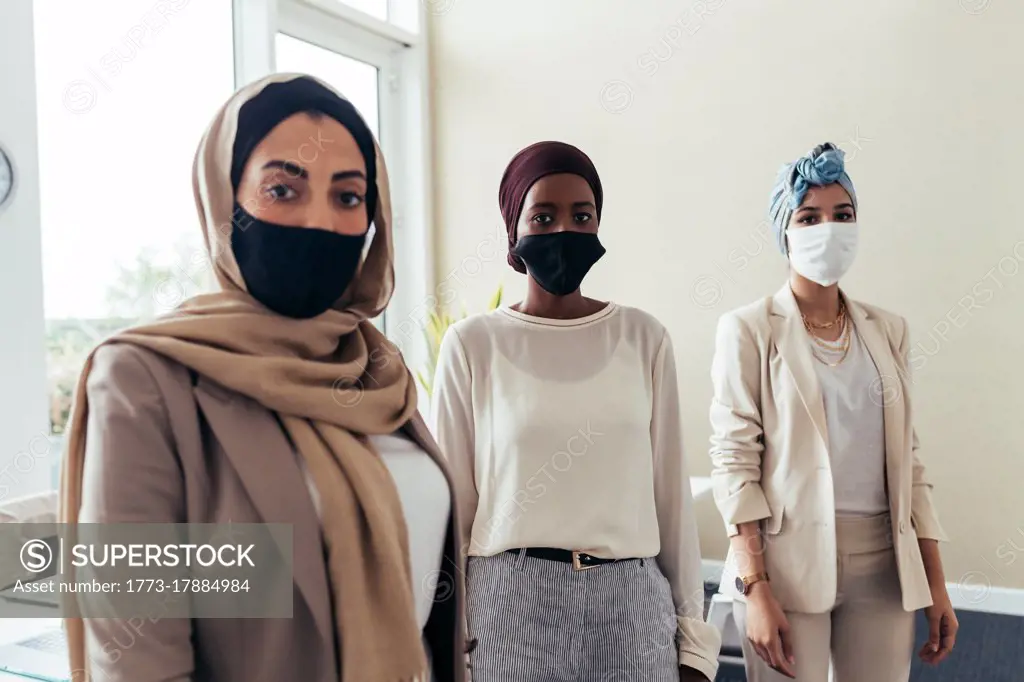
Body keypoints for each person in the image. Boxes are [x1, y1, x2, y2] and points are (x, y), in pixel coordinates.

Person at [58, 73, 468, 682]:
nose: (318, 221)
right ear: (225, 200)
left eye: (349, 197)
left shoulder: (377, 371)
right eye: (282, 189)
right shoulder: (144, 379)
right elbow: (137, 660)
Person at [430, 141, 721, 682]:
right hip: (510, 608)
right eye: (543, 216)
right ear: (514, 232)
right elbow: (452, 511)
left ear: (598, 226)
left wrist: (693, 643)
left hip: (629, 605)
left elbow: (670, 498)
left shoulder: (644, 338)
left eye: (581, 216)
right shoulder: (473, 345)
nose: (564, 229)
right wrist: (445, 634)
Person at [708, 142, 957, 681]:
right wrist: (756, 588)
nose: (829, 228)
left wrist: (934, 583)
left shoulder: (888, 331)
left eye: (842, 215)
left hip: (884, 567)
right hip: (783, 564)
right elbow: (734, 465)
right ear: (785, 232)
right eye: (809, 216)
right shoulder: (748, 329)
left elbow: (911, 466)